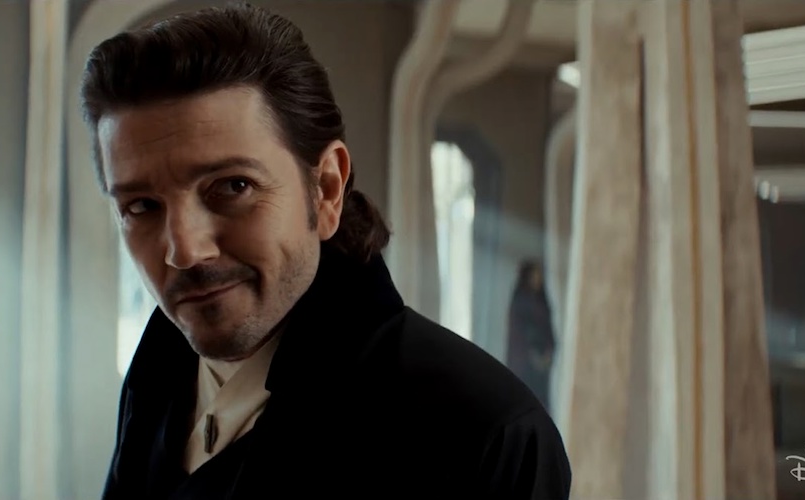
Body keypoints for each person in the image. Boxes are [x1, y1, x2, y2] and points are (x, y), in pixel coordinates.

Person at [81, 4, 570, 499]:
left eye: (232, 186)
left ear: (327, 189)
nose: (184, 251)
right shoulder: (157, 372)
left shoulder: (485, 437)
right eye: (141, 206)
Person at [506, 261, 557, 411]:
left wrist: (548, 352)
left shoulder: (541, 301)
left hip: (541, 366)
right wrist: (535, 354)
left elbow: (548, 329)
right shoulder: (520, 302)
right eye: (534, 275)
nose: (538, 279)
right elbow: (522, 334)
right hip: (526, 365)